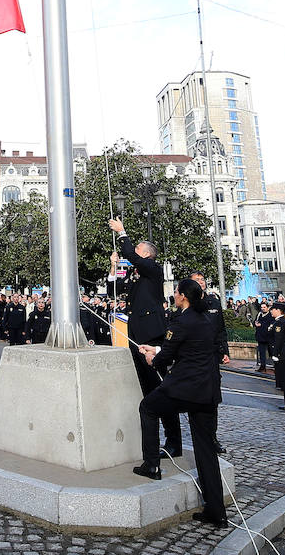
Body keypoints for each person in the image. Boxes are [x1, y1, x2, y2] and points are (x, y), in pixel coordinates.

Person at [133, 279, 227, 528]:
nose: (173, 295)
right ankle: (216, 511)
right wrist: (156, 349)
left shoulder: (181, 321)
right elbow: (184, 348)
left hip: (185, 389)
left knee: (148, 408)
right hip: (207, 392)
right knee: (206, 451)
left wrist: (152, 356)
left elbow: (166, 357)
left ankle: (151, 463)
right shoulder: (207, 319)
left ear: (183, 296)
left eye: (176, 292)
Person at [108, 217, 179, 457]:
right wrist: (113, 267)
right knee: (147, 389)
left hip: (152, 335)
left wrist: (122, 232)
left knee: (160, 386)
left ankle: (173, 441)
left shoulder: (153, 270)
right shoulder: (137, 274)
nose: (133, 253)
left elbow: (132, 255)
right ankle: (151, 437)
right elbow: (113, 289)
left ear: (147, 255)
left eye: (138, 249)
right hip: (136, 335)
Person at [254, 303, 273, 371]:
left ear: (267, 308)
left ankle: (276, 366)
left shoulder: (270, 315)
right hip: (260, 336)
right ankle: (262, 366)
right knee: (262, 352)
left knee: (272, 352)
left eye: (264, 307)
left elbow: (270, 324)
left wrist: (261, 325)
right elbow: (255, 321)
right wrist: (255, 323)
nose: (263, 308)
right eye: (262, 307)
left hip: (268, 337)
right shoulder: (259, 314)